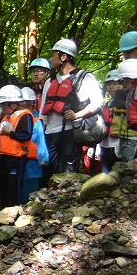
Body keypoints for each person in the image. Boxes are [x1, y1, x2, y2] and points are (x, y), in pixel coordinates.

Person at [40, 39, 103, 182]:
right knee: (48, 172)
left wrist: (77, 115)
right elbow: (44, 109)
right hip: (51, 133)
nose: (49, 59)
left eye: (52, 55)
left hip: (71, 133)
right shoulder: (50, 81)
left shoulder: (84, 77)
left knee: (68, 173)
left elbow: (98, 101)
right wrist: (42, 135)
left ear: (63, 57)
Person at [0, 86, 34, 206]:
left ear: (13, 105)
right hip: (5, 155)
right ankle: (5, 206)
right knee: (4, 182)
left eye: (3, 106)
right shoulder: (7, 116)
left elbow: (26, 135)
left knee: (15, 184)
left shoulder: (24, 115)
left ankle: (15, 207)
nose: (2, 109)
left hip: (16, 157)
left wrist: (10, 133)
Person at [19, 87, 49, 200]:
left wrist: (44, 158)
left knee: (30, 191)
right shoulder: (15, 118)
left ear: (32, 103)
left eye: (26, 102)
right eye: (21, 102)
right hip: (18, 160)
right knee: (19, 189)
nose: (23, 105)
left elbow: (41, 140)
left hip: (32, 163)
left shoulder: (36, 121)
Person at [112, 33, 137, 163]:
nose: (125, 56)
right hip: (128, 134)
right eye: (124, 53)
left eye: (129, 52)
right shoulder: (127, 71)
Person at [98, 70, 122, 173]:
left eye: (115, 84)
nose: (111, 87)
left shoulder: (125, 104)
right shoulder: (106, 104)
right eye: (109, 84)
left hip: (118, 145)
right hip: (105, 145)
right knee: (105, 175)